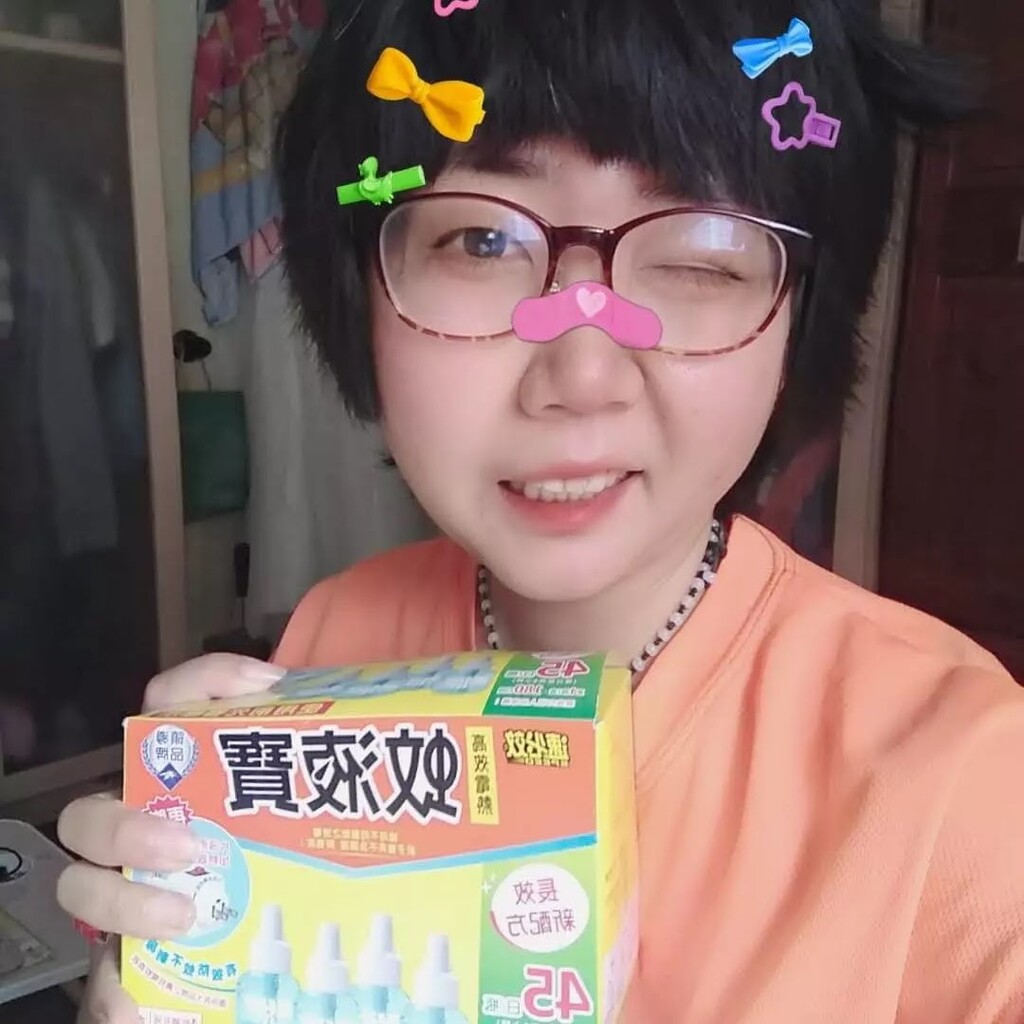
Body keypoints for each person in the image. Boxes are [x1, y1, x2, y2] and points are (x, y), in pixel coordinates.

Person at [55, 1, 1024, 1022]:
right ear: (359, 289)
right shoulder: (329, 640)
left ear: (801, 318)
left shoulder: (971, 788)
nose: (582, 376)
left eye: (699, 252)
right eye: (481, 240)